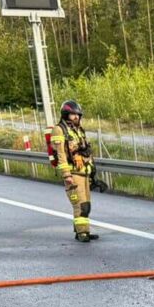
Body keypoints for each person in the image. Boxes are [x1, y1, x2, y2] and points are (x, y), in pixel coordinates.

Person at [54, 99, 97, 242]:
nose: (77, 117)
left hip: (83, 173)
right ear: (66, 114)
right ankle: (81, 234)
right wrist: (66, 175)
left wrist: (91, 172)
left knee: (86, 205)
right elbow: (60, 154)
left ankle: (83, 230)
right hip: (73, 174)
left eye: (78, 115)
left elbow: (85, 152)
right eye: (73, 114)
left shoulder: (78, 130)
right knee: (80, 205)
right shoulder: (59, 130)